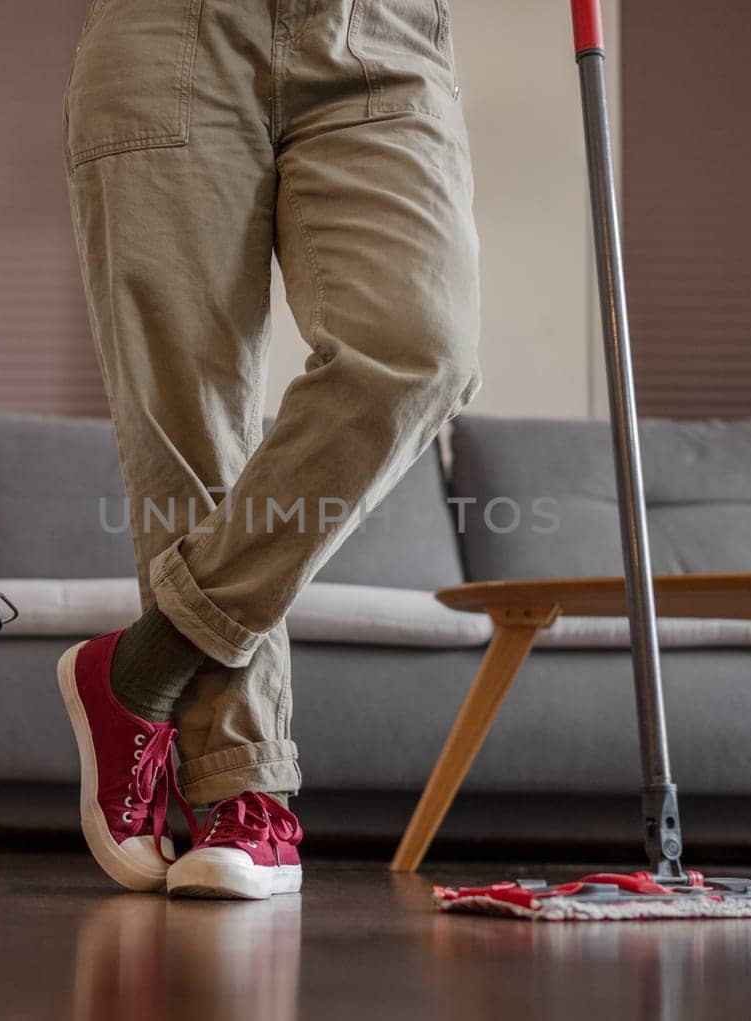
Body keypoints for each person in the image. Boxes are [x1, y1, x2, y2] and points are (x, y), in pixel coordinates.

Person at [57, 0, 480, 899]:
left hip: (381, 36)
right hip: (169, 32)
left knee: (419, 353)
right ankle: (239, 792)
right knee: (191, 431)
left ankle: (143, 666)